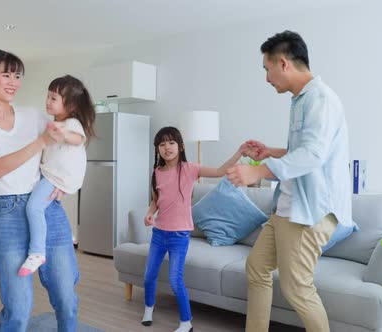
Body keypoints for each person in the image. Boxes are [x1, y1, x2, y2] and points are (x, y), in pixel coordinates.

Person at [226, 31, 354, 332]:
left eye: (266, 69)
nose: (267, 78)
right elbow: (303, 152)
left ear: (282, 63)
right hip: (287, 208)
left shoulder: (321, 100)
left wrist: (258, 171)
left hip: (309, 213)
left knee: (297, 288)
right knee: (257, 268)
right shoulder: (300, 100)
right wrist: (272, 152)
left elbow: (312, 156)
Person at [0, 49, 80, 332]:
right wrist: (40, 142)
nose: (13, 82)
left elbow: (71, 144)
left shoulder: (34, 115)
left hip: (46, 206)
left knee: (66, 297)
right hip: (7, 211)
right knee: (18, 309)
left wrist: (62, 182)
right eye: (6, 74)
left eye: (17, 75)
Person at [141, 126, 246, 332]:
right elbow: (156, 200)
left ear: (180, 146)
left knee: (174, 279)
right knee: (149, 275)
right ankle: (148, 308)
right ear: (157, 150)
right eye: (162, 144)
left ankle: (186, 321)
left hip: (179, 235)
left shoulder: (189, 169)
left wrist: (239, 152)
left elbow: (219, 171)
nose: (166, 147)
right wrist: (149, 212)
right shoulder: (156, 173)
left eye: (171, 143)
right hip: (158, 234)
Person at [18, 75, 95, 276]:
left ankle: (37, 252)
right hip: (52, 176)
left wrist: (64, 135)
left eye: (54, 98)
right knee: (44, 208)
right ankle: (64, 236)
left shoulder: (71, 123)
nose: (48, 101)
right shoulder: (55, 123)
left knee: (34, 208)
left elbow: (78, 139)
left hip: (56, 177)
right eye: (48, 96)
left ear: (70, 105)